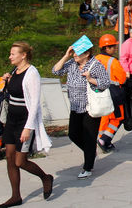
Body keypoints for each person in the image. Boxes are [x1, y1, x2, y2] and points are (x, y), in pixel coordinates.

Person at [0, 42, 52, 207]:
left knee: (20, 161)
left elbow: (34, 103)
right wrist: (7, 80)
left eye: (13, 54)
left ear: (23, 55)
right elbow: (12, 92)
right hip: (11, 120)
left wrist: (28, 128)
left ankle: (45, 177)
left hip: (24, 121)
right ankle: (16, 196)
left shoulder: (32, 73)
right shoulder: (15, 71)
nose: (10, 57)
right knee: (9, 157)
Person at [52, 38, 110, 180]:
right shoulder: (72, 63)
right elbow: (55, 71)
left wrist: (90, 79)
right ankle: (90, 153)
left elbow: (105, 83)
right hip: (75, 106)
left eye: (78, 52)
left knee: (89, 137)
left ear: (87, 53)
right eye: (74, 52)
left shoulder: (95, 65)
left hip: (90, 108)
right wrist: (66, 55)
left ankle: (88, 167)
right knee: (73, 134)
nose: (74, 55)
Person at [95, 34, 127, 153]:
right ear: (107, 48)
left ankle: (100, 138)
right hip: (113, 94)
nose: (115, 49)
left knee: (103, 118)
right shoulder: (112, 61)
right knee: (118, 118)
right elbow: (122, 78)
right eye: (113, 47)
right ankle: (105, 139)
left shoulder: (95, 59)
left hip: (98, 93)